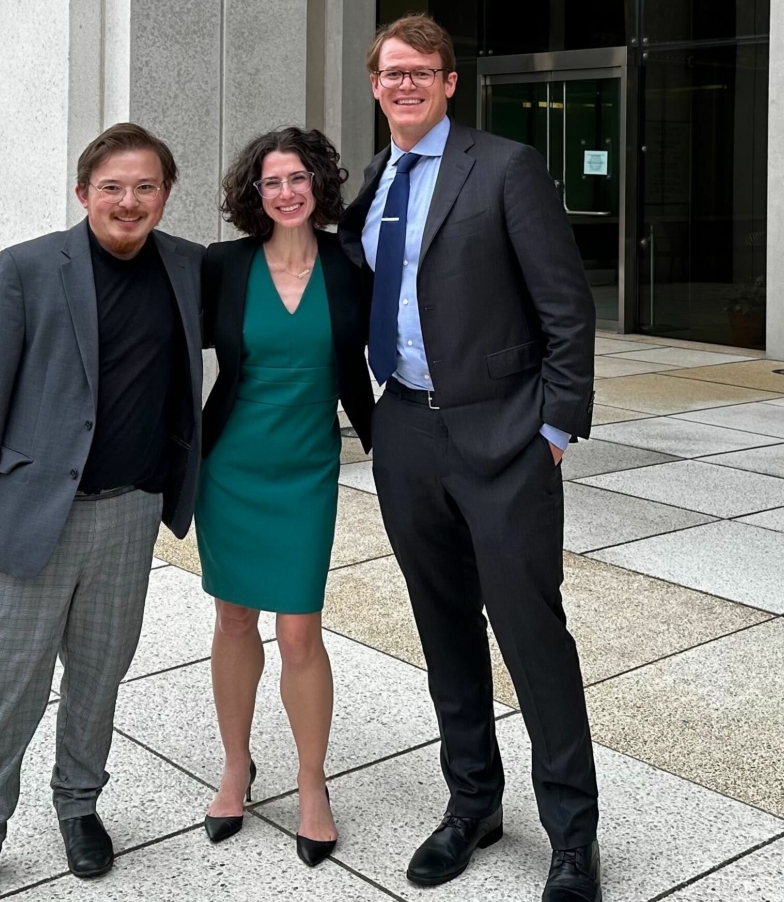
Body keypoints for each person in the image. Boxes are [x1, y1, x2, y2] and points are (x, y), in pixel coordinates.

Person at [338, 14, 601, 902]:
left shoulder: (506, 167)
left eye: (421, 71)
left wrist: (556, 430)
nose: (404, 85)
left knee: (532, 636)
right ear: (374, 85)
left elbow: (567, 308)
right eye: (390, 73)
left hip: (504, 433)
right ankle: (472, 805)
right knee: (444, 628)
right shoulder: (372, 182)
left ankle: (571, 836)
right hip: (407, 430)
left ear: (451, 82)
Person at [0, 123, 204, 902]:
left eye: (146, 186)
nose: (129, 200)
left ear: (165, 195)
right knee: (9, 681)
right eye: (113, 186)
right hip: (36, 507)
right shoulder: (27, 268)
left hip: (132, 511)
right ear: (84, 193)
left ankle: (79, 804)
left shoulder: (186, 267)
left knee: (99, 677)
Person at [197, 127, 373, 867]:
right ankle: (236, 767)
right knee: (235, 618)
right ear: (254, 193)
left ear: (318, 185)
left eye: (298, 178)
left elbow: (378, 358)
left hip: (306, 470)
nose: (286, 192)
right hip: (230, 466)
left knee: (300, 631)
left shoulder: (351, 266)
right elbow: (165, 349)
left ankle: (311, 782)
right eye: (271, 182)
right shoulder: (223, 267)